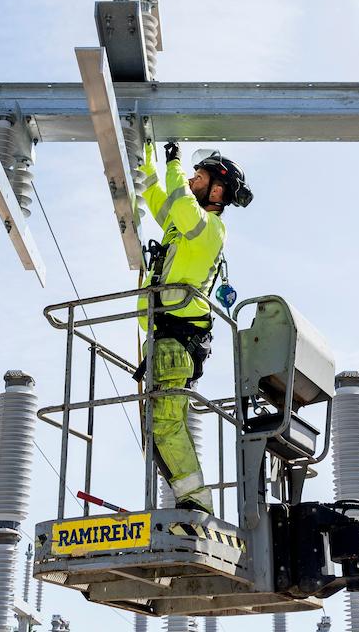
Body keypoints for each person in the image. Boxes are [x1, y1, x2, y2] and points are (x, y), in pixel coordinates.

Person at [137, 139, 252, 514]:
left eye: (197, 176)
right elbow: (158, 196)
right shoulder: (183, 225)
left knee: (166, 425)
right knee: (158, 429)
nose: (190, 178)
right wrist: (148, 153)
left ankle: (196, 504)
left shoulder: (208, 229)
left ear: (216, 191)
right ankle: (189, 500)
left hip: (176, 339)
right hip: (164, 339)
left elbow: (179, 200)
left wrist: (173, 164)